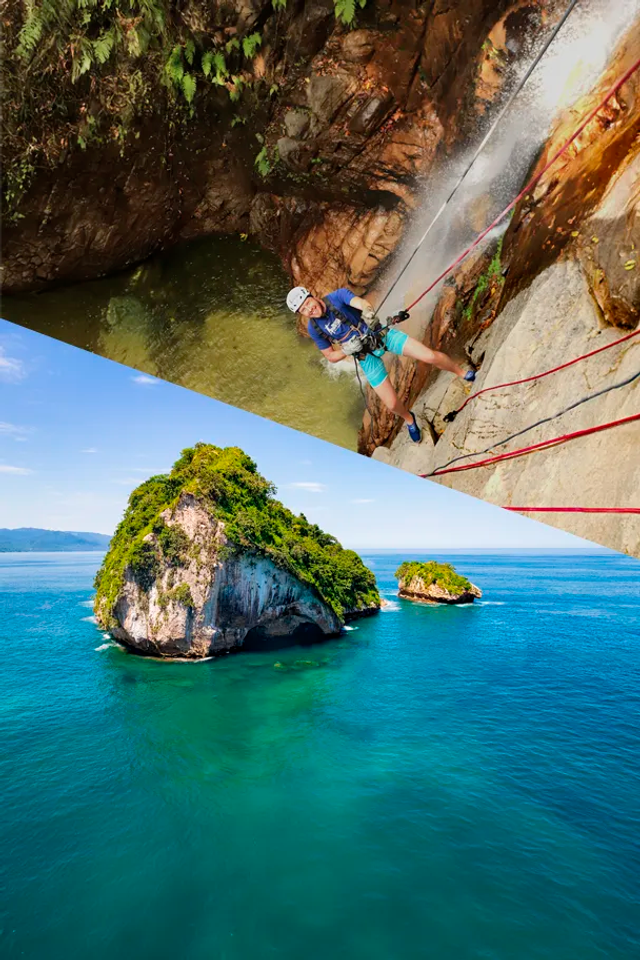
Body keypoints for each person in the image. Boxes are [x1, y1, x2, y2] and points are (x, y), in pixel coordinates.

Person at [286, 285, 475, 443]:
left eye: (307, 303)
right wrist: (346, 350)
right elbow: (330, 357)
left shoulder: (337, 296)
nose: (309, 309)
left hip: (379, 335)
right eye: (303, 310)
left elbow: (360, 303)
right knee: (392, 404)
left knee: (430, 356)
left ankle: (461, 372)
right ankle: (410, 420)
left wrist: (367, 311)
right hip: (363, 355)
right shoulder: (315, 328)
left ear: (312, 296)